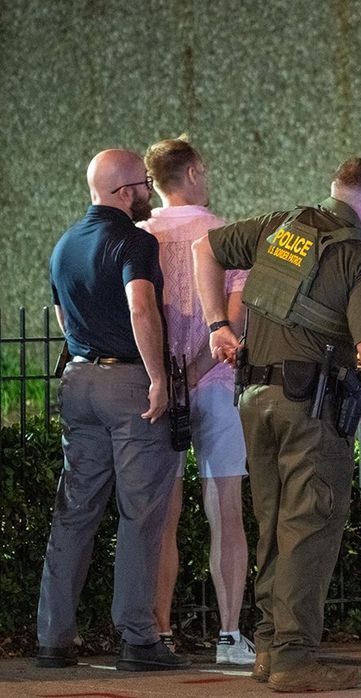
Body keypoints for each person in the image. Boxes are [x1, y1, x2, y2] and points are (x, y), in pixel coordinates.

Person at [192, 157, 361, 693]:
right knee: (309, 526)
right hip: (311, 409)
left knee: (274, 524)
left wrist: (218, 325)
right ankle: (295, 659)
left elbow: (204, 249)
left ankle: (269, 647)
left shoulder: (277, 226)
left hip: (254, 398)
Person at [37, 149, 190, 672]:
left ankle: (53, 639)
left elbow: (62, 314)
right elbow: (141, 306)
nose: (148, 190)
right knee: (141, 512)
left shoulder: (63, 245)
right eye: (143, 183)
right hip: (128, 383)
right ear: (125, 192)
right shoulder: (133, 240)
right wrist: (156, 378)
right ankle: (138, 638)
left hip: (78, 379)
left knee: (74, 510)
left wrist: (85, 351)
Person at [139, 137, 254, 664]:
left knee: (162, 513)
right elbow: (236, 318)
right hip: (216, 384)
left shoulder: (139, 236)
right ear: (194, 171)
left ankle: (159, 632)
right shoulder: (225, 236)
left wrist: (168, 375)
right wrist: (196, 370)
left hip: (156, 387)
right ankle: (230, 636)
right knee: (225, 510)